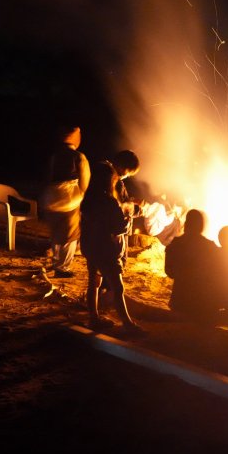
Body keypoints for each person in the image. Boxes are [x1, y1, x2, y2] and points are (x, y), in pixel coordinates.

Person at [80, 151, 142, 332]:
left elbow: (120, 207)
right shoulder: (108, 196)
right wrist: (131, 212)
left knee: (94, 281)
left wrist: (134, 208)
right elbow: (119, 225)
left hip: (91, 242)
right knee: (118, 285)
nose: (125, 177)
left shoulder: (94, 193)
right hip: (105, 246)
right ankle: (127, 324)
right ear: (122, 168)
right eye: (127, 173)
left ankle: (93, 319)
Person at [41, 125, 90, 278]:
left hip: (51, 199)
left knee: (56, 233)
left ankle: (57, 263)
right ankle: (63, 268)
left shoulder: (54, 156)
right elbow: (84, 181)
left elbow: (47, 178)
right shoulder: (78, 156)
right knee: (70, 235)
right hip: (69, 200)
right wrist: (81, 195)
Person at [163, 209, 222, 322]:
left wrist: (184, 276)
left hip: (180, 302)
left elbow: (168, 270)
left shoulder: (176, 244)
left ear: (186, 224)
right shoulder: (210, 247)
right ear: (201, 226)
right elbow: (218, 274)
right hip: (204, 304)